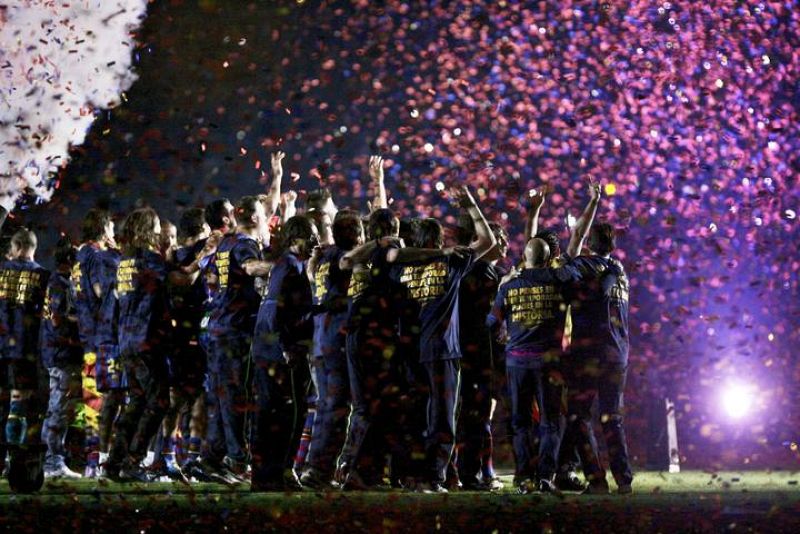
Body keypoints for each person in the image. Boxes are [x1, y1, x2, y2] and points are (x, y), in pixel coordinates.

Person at [395, 185, 496, 493]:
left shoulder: (404, 266)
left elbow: (390, 252)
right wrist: (471, 204)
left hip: (411, 351)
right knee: (442, 418)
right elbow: (488, 241)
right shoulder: (450, 263)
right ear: (437, 240)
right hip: (442, 351)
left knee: (416, 416)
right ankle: (433, 477)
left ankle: (410, 475)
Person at [487, 238, 580, 493]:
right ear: (548, 258)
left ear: (524, 257)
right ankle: (546, 476)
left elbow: (491, 323)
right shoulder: (558, 281)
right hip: (548, 363)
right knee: (550, 422)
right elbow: (574, 271)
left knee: (520, 423)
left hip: (516, 361)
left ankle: (524, 477)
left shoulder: (509, 287)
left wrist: (502, 289)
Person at [526, 183, 602, 491]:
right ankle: (554, 470)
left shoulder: (542, 271)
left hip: (547, 354)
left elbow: (577, 237)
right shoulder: (548, 272)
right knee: (554, 418)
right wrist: (593, 201)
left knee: (554, 417)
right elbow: (579, 237)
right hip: (553, 354)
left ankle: (553, 470)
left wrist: (534, 212)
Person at [202, 195, 273, 484]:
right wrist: (282, 266)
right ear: (255, 219)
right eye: (262, 213)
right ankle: (237, 460)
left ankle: (212, 459)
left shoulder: (226, 243)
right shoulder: (244, 245)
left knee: (224, 397)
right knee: (234, 397)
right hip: (234, 331)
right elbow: (251, 268)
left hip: (220, 328)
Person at [562, 223, 633, 495]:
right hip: (618, 353)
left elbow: (583, 294)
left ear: (590, 243)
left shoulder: (583, 267)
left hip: (588, 354)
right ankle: (624, 479)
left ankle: (596, 479)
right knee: (612, 417)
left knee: (578, 417)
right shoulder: (621, 272)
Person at [249, 215, 317, 491]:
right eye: (309, 236)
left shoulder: (291, 266)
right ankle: (268, 475)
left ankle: (272, 474)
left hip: (274, 350)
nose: (314, 241)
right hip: (276, 353)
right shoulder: (288, 266)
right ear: (293, 239)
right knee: (275, 415)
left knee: (279, 413)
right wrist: (286, 346)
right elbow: (275, 309)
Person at [299, 209, 363, 489]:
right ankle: (319, 471)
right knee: (336, 408)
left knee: (326, 407)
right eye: (359, 232)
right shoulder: (343, 258)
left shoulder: (324, 257)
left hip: (319, 339)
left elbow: (312, 277)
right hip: (335, 340)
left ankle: (314, 467)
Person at [106, 208, 171, 481]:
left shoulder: (124, 261)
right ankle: (133, 460)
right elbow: (172, 281)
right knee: (158, 402)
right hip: (146, 340)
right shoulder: (150, 259)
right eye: (156, 226)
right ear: (148, 229)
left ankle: (114, 461)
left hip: (127, 340)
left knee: (137, 401)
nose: (159, 232)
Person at [455, 220, 508, 491]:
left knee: (476, 415)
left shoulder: (487, 271)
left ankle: (473, 472)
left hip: (471, 351)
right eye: (499, 238)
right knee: (476, 414)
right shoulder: (480, 271)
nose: (505, 243)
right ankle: (472, 473)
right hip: (475, 353)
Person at [0, 228, 50, 488]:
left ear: (15, 246)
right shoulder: (42, 276)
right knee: (18, 406)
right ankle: (14, 459)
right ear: (33, 247)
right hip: (24, 350)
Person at [71, 208, 118, 477]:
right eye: (111, 226)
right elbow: (101, 291)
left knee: (91, 402)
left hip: (87, 336)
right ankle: (99, 460)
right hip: (102, 337)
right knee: (106, 401)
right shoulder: (97, 256)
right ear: (103, 228)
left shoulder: (80, 255)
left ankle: (91, 461)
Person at [40, 236, 84, 479]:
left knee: (60, 408)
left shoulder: (60, 282)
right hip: (61, 354)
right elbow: (57, 318)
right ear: (69, 260)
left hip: (59, 353)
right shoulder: (60, 284)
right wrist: (82, 322)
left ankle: (54, 457)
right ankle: (51, 460)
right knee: (58, 408)